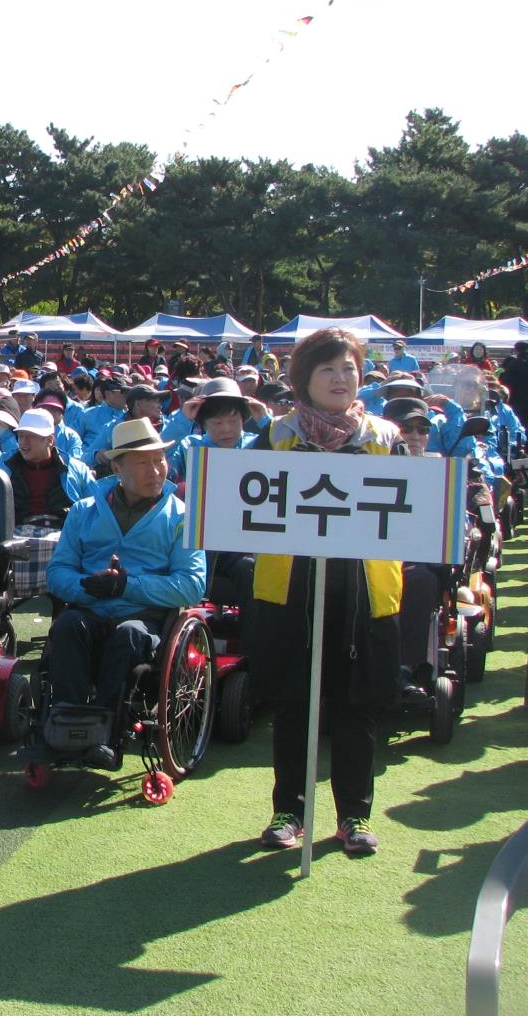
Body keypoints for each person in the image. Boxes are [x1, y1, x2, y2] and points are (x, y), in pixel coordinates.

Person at [251, 327, 403, 858]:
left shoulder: (384, 436)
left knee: (355, 705)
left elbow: (414, 511)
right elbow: (240, 505)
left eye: (350, 368)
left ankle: (354, 816)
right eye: (328, 369)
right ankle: (288, 810)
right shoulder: (276, 436)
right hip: (292, 587)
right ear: (303, 378)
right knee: (294, 701)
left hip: (363, 588)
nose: (341, 379)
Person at [43, 417, 207, 765]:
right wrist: (89, 586)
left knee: (128, 636)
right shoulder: (83, 511)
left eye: (159, 459)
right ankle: (66, 725)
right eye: (143, 461)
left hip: (145, 619)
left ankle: (107, 735)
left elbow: (193, 585)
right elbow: (58, 572)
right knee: (68, 627)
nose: (156, 470)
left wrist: (126, 586)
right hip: (90, 609)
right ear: (117, 467)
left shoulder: (182, 517)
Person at [0, 409, 96, 600]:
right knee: (3, 549)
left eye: (31, 436)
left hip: (63, 532)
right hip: (17, 529)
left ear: (50, 440)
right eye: (21, 436)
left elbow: (95, 506)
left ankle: (61, 613)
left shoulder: (76, 469)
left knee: (67, 549)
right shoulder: (5, 467)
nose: (23, 442)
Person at [166, 377, 262, 484]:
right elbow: (161, 460)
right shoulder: (191, 446)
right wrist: (182, 420)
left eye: (233, 421)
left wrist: (267, 422)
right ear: (204, 424)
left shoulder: (257, 444)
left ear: (243, 420)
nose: (226, 429)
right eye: (217, 423)